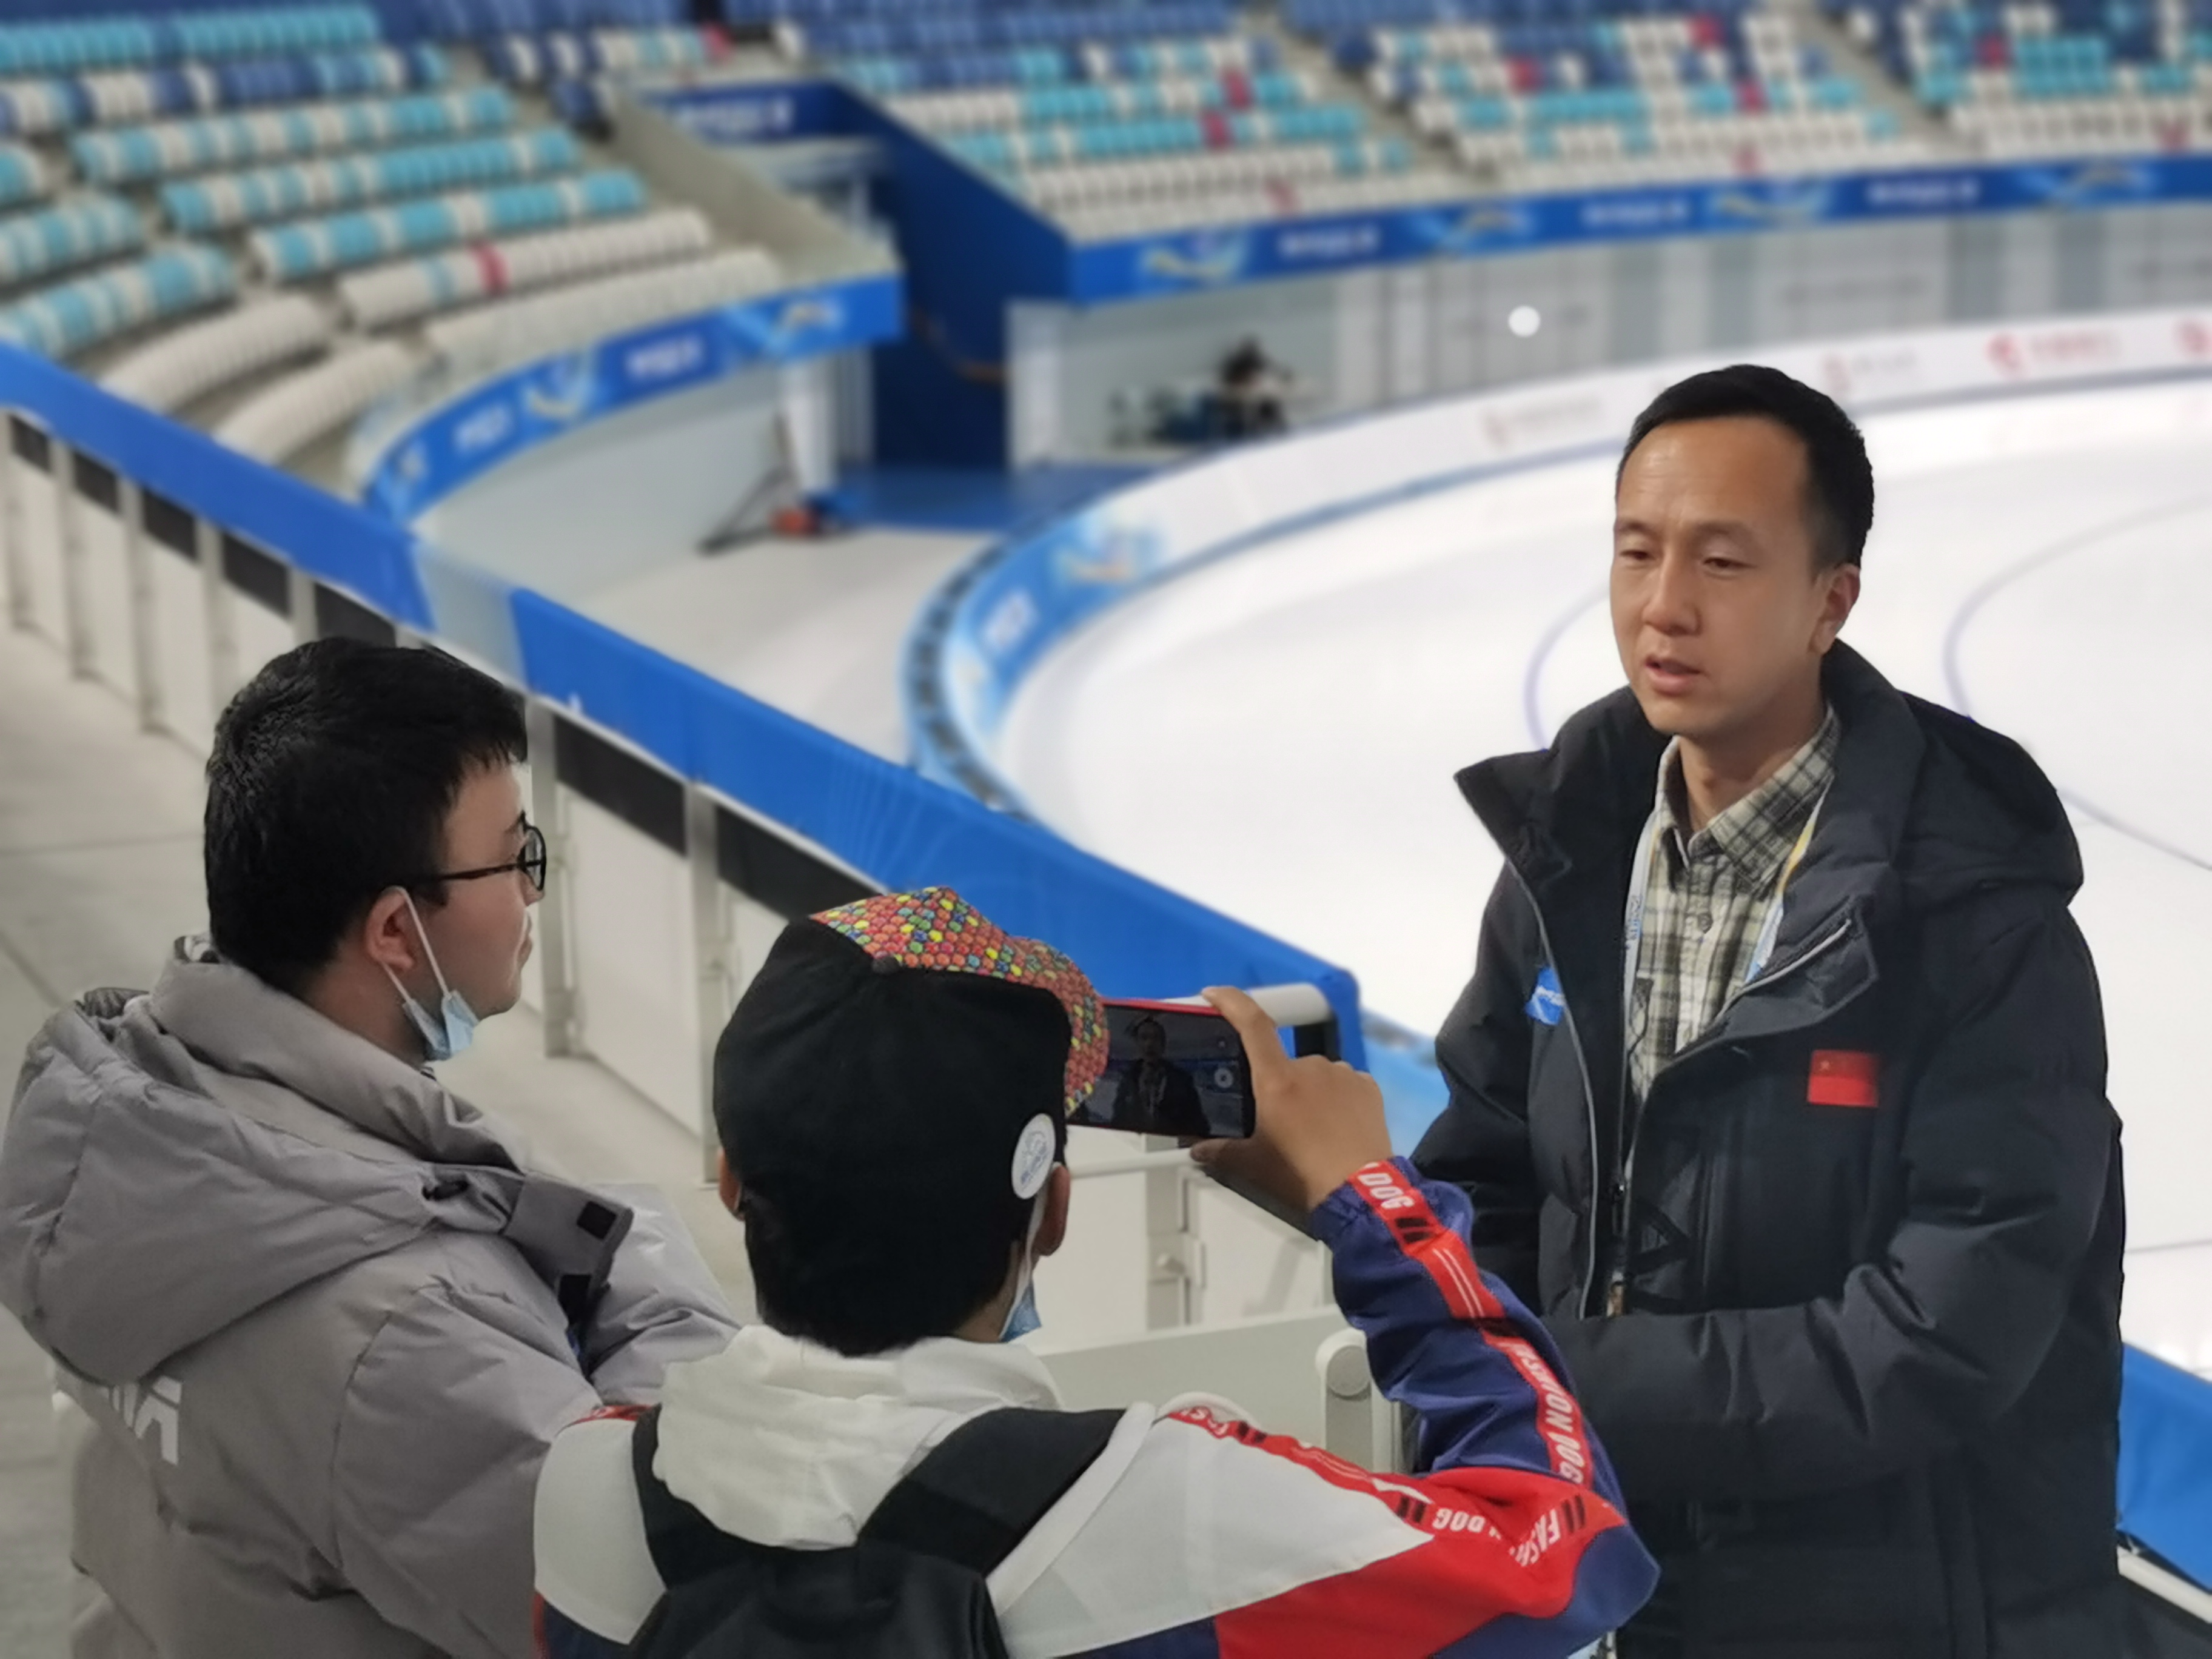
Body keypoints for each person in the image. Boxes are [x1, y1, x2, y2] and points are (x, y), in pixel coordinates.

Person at [1415, 365, 2124, 1657]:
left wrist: (1559, 1383)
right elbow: (1485, 1171)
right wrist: (1501, 1387)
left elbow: (1936, 1337)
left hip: (1893, 1618)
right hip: (1610, 1583)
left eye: (1723, 562)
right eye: (1636, 551)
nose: (1663, 606)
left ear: (1829, 602)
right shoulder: (1567, 861)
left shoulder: (1973, 924)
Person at [533, 886, 1658, 1657]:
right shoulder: (1174, 1506)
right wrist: (1379, 1211)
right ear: (1055, 1210)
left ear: (732, 1181)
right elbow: (1565, 1550)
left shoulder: (587, 1483)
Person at [0, 639, 737, 1659]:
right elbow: (662, 1602)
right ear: (395, 929)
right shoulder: (406, 1335)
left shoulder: (131, 1134)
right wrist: (644, 1270)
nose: (531, 895)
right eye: (515, 857)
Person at [1107, 1012, 1211, 1138]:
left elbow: (1200, 1126)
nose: (1149, 1044)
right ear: (1137, 1044)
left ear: (1163, 1044)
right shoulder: (1128, 1080)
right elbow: (1117, 1121)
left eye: (1155, 1038)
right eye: (1144, 1038)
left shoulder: (1182, 1081)